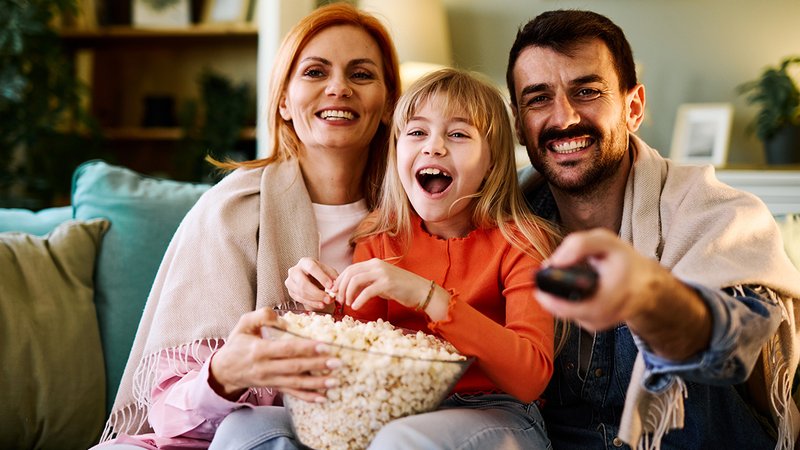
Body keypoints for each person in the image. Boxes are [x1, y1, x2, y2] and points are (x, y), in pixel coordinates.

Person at [95, 3, 401, 449]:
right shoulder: (230, 211)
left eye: (361, 74)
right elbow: (170, 419)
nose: (338, 88)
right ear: (283, 100)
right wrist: (226, 374)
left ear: (389, 101)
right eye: (315, 72)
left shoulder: (419, 217)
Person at [506, 9, 800, 450]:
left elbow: (741, 344)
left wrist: (649, 296)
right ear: (518, 123)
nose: (564, 118)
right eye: (538, 99)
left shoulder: (717, 215)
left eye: (586, 91)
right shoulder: (501, 226)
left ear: (634, 107)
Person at [284, 67, 559, 449]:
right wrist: (324, 305)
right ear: (397, 152)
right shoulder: (380, 238)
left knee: (402, 440)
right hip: (398, 410)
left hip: (499, 413)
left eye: (458, 134)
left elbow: (530, 377)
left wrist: (428, 297)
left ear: (493, 162)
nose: (434, 147)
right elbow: (361, 352)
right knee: (250, 426)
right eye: (416, 132)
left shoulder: (522, 242)